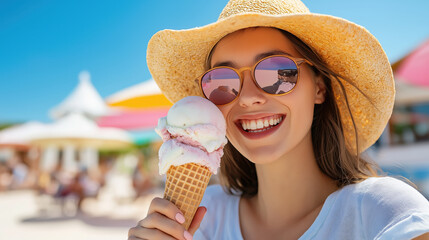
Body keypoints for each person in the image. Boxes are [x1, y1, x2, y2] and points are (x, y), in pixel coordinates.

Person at [129, 0, 429, 239]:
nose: (246, 97)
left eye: (277, 73)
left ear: (319, 88)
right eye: (222, 81)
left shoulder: (385, 214)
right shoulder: (201, 219)